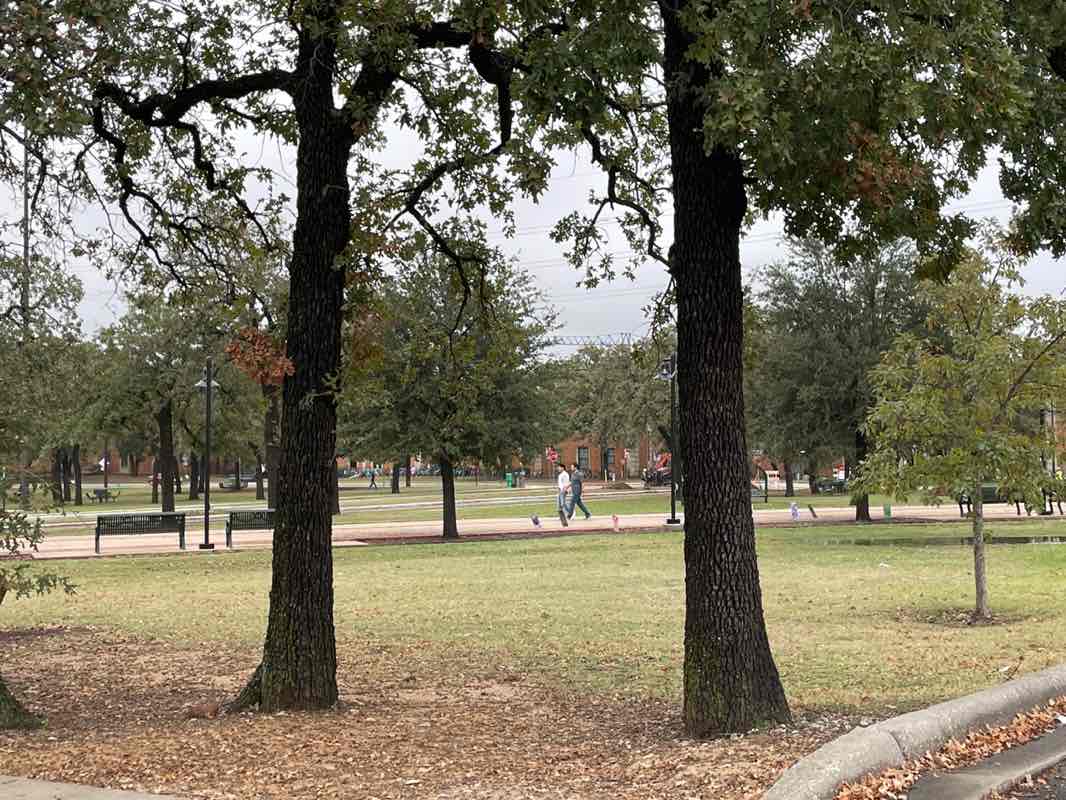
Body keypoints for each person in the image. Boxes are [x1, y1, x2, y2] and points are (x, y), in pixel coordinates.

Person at [555, 462, 570, 527]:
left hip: (563, 490)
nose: (558, 468)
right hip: (560, 490)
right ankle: (562, 516)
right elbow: (560, 483)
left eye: (559, 467)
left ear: (562, 468)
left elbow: (566, 483)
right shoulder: (560, 474)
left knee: (563, 503)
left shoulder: (565, 474)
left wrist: (565, 489)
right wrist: (558, 489)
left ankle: (570, 513)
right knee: (559, 504)